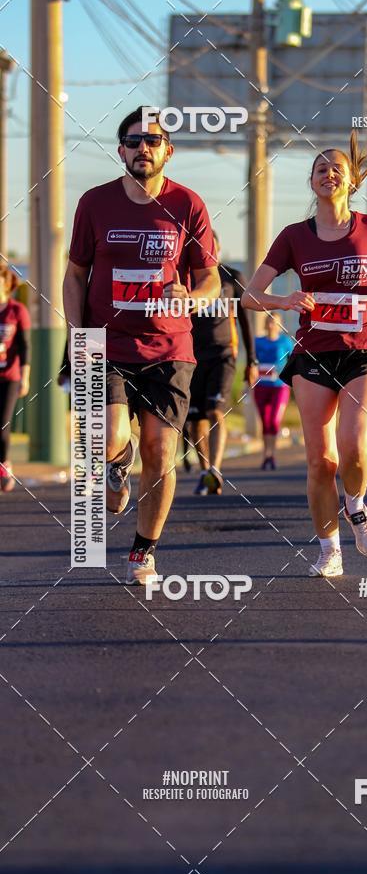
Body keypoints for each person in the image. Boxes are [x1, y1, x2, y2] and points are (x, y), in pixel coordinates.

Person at [242, 131, 367, 576]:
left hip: (363, 349)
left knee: (354, 447)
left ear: (351, 181)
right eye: (320, 168)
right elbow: (250, 295)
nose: (328, 173)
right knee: (321, 461)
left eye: (336, 167)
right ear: (312, 182)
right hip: (313, 354)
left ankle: (356, 505)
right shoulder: (293, 237)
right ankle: (329, 550)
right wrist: (285, 301)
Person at [63, 106, 220, 585]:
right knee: (110, 438)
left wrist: (192, 298)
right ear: (121, 151)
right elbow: (74, 275)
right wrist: (78, 334)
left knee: (160, 449)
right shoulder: (94, 203)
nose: (142, 149)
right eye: (133, 141)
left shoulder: (188, 205)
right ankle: (114, 466)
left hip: (169, 348)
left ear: (167, 151)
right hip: (106, 344)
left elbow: (210, 276)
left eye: (151, 141)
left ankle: (142, 551)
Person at [186, 232, 258, 495]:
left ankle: (215, 468)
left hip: (223, 354)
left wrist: (252, 360)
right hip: (191, 358)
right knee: (195, 418)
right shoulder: (186, 277)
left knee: (216, 410)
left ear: (217, 247)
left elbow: (246, 322)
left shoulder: (231, 277)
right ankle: (205, 470)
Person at [0, 264, 30, 492]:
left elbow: (24, 346)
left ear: (6, 283)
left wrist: (25, 378)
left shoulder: (16, 310)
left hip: (10, 376)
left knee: (3, 425)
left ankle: (4, 464)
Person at [253, 313, 294, 470]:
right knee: (265, 421)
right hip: (261, 386)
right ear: (265, 324)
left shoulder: (285, 342)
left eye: (274, 323)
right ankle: (266, 455)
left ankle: (273, 454)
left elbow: (292, 361)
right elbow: (252, 361)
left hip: (280, 387)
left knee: (274, 421)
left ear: (279, 325)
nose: (271, 325)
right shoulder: (258, 341)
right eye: (269, 322)